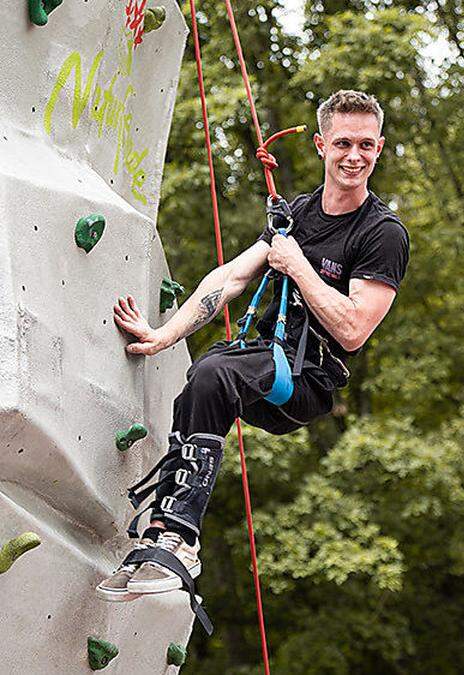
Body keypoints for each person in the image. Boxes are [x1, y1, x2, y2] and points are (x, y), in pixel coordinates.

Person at [96, 90, 410, 607]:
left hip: (307, 378)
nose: (354, 156)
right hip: (262, 360)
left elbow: (354, 329)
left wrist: (296, 264)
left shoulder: (383, 233)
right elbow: (233, 276)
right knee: (204, 377)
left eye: (366, 145)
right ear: (320, 145)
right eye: (343, 143)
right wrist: (164, 334)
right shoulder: (298, 215)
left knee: (217, 373)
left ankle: (182, 537)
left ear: (380, 149)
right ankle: (162, 534)